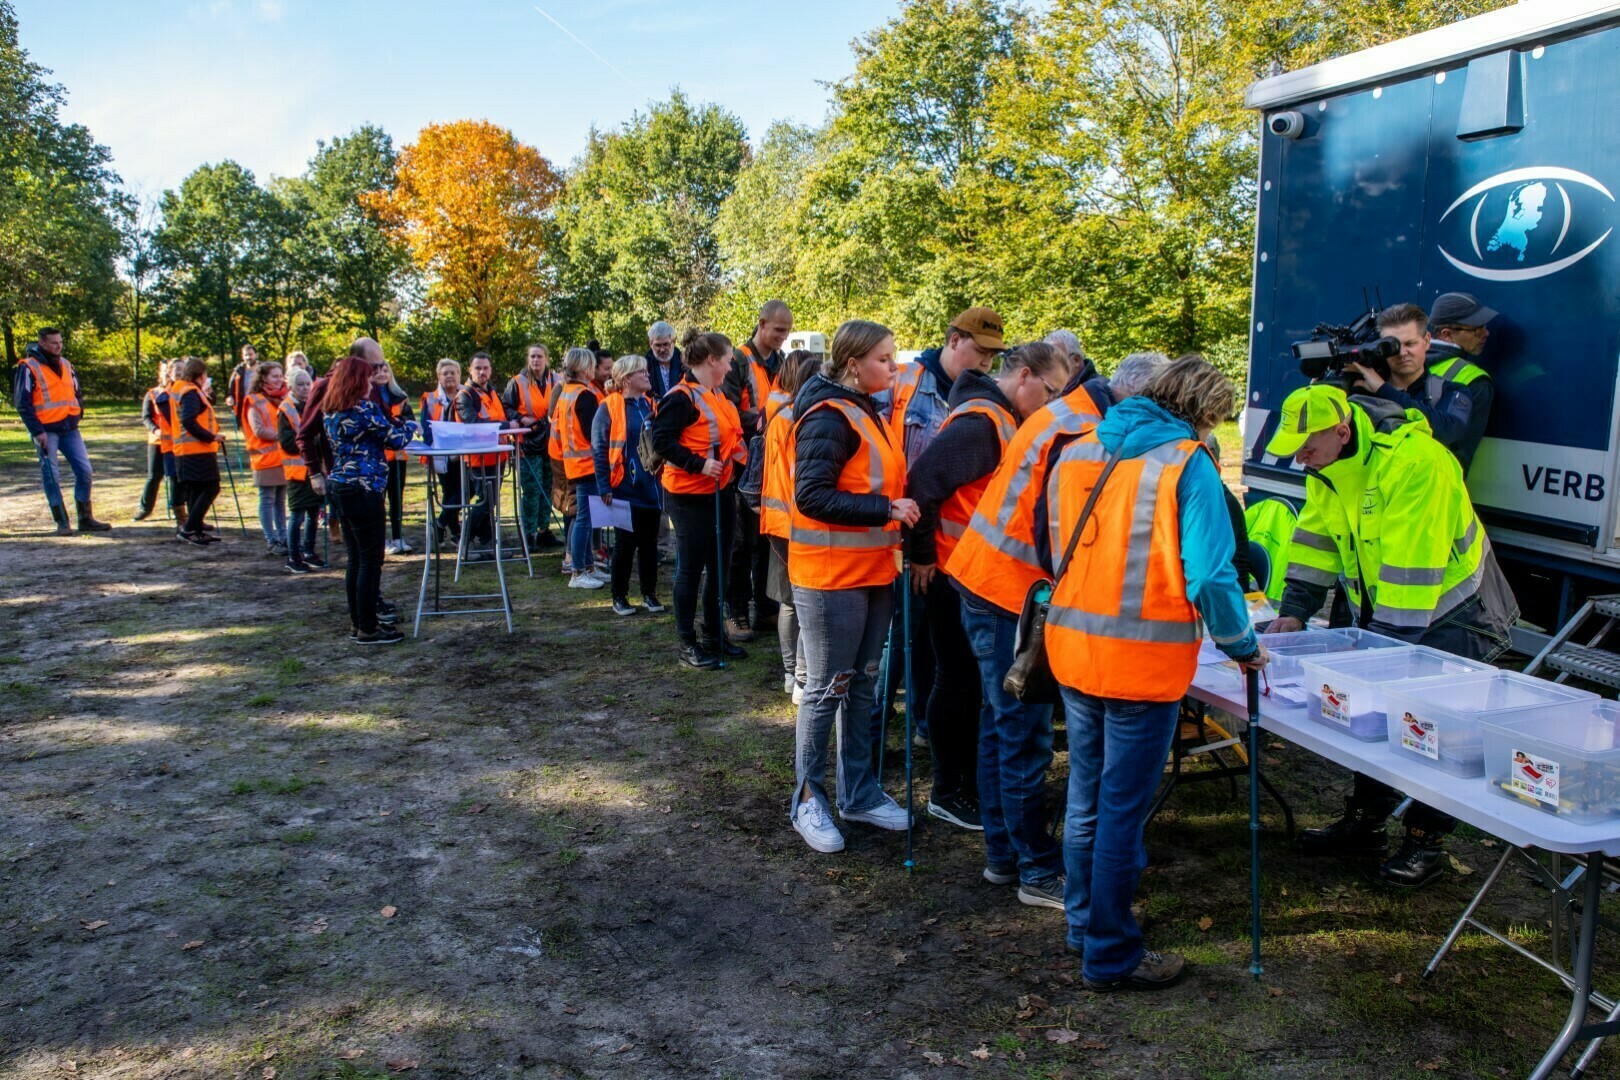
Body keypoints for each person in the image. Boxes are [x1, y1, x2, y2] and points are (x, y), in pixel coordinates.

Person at [1039, 356, 1269, 992]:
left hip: (1072, 648)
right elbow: (1213, 576)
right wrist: (1243, 644)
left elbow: (1052, 542)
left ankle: (1084, 925)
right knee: (1118, 810)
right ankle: (1109, 953)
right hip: (1140, 663)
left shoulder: (1081, 449)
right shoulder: (1186, 464)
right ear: (1200, 412)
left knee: (1086, 795)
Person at [1265, 382, 1519, 887]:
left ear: (1341, 431)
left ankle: (1426, 843)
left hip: (1456, 614)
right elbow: (1315, 542)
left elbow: (1411, 580)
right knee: (1373, 719)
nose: (1302, 461)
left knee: (1434, 730)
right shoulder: (1329, 467)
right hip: (1389, 611)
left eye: (1308, 449)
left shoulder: (1417, 463)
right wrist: (1295, 613)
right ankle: (1368, 821)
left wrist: (1369, 655)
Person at [907, 341, 1072, 900]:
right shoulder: (985, 422)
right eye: (1050, 392)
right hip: (976, 583)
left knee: (991, 711)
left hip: (977, 579)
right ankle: (965, 803)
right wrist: (922, 554)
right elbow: (924, 482)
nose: (1054, 404)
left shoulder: (1002, 419)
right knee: (981, 702)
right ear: (1023, 376)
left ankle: (996, 842)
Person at [785, 319, 919, 854]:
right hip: (829, 576)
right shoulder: (829, 415)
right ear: (853, 363)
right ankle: (807, 799)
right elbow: (811, 496)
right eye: (885, 359)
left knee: (862, 682)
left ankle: (858, 792)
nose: (894, 367)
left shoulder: (867, 408)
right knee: (826, 687)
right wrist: (884, 510)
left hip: (871, 572)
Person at [871, 306, 1007, 810]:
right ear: (954, 340)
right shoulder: (904, 382)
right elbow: (918, 477)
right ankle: (869, 748)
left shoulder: (975, 401)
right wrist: (920, 552)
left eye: (996, 355)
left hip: (952, 557)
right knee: (898, 651)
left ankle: (931, 734)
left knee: (940, 659)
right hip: (912, 545)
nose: (989, 362)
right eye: (981, 351)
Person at [651, 329, 748, 668]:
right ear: (711, 360)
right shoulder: (681, 397)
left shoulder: (716, 395)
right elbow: (661, 440)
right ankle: (687, 644)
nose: (730, 364)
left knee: (720, 567)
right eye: (727, 359)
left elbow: (730, 436)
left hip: (720, 492)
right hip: (688, 496)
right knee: (690, 570)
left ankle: (713, 635)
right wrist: (698, 464)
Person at [322, 354, 417, 645]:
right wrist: (411, 424)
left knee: (356, 559)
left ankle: (358, 622)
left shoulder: (331, 410)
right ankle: (368, 627)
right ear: (356, 381)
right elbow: (397, 439)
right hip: (363, 488)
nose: (371, 382)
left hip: (340, 485)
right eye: (367, 377)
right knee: (370, 560)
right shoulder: (363, 409)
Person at [721, 299, 794, 641]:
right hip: (741, 461)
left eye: (787, 331)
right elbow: (727, 408)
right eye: (779, 330)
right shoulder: (738, 359)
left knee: (765, 538)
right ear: (762, 324)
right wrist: (764, 420)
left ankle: (764, 608)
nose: (783, 336)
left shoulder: (779, 362)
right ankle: (735, 611)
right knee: (741, 540)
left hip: (769, 459)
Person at [1347, 303, 1481, 471]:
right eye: (1393, 346)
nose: (1402, 353)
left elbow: (1448, 431)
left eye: (1410, 344)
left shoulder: (1452, 391)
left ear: (1426, 341)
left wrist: (1383, 390)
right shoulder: (1361, 390)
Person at [760, 350, 822, 702]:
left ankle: (791, 675)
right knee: (798, 600)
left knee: (789, 601)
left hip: (779, 518)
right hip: (794, 521)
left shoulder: (781, 414)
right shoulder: (798, 418)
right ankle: (798, 676)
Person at [13, 326, 111, 535]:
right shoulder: (28, 367)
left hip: (69, 428)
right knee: (51, 475)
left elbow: (77, 391)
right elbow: (23, 403)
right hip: (45, 431)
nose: (59, 346)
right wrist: (37, 431)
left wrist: (78, 412)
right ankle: (62, 522)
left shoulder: (67, 364)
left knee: (85, 471)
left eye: (61, 342)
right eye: (54, 343)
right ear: (42, 343)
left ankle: (85, 518)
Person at [593, 355, 664, 615]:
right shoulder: (609, 407)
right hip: (623, 487)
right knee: (625, 544)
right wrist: (604, 486)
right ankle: (619, 596)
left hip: (650, 487)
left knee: (649, 544)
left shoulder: (649, 405)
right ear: (626, 379)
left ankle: (649, 593)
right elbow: (599, 449)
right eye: (641, 372)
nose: (647, 375)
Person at [549, 347, 608, 587]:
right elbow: (593, 432)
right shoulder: (584, 395)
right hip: (586, 464)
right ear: (585, 368)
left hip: (574, 464)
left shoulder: (567, 392)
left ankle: (587, 567)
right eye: (592, 366)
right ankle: (578, 571)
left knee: (586, 517)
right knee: (585, 518)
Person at [1426, 291, 1497, 472]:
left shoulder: (1401, 362)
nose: (1485, 333)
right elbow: (1461, 456)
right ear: (1446, 334)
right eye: (1476, 329)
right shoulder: (1475, 380)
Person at [503, 343, 563, 550]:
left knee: (548, 486)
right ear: (528, 359)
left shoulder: (557, 380)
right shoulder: (517, 382)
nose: (536, 360)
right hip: (528, 441)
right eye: (532, 357)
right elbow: (506, 407)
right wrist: (520, 418)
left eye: (539, 356)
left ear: (546, 358)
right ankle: (527, 534)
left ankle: (543, 530)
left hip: (552, 440)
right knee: (531, 489)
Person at [456, 352, 509, 562]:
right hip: (478, 458)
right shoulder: (465, 396)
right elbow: (472, 422)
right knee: (484, 501)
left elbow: (501, 415)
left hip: (498, 456)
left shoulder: (492, 392)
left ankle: (486, 541)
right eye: (478, 368)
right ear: (469, 370)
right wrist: (506, 426)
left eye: (486, 368)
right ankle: (465, 541)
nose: (482, 372)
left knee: (491, 501)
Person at [167, 357, 226, 545]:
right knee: (211, 487)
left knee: (196, 489)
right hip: (196, 449)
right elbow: (189, 420)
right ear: (200, 375)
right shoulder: (190, 392)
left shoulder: (181, 388)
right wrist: (211, 436)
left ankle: (196, 530)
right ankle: (189, 528)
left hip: (186, 449)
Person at [276, 368, 327, 573]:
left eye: (308, 384)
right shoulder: (286, 409)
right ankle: (293, 555)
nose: (305, 388)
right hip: (297, 472)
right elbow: (287, 441)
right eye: (300, 385)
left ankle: (309, 550)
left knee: (314, 513)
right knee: (297, 515)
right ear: (291, 387)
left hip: (315, 468)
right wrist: (310, 441)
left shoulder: (313, 406)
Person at [244, 362, 291, 555]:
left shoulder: (283, 398)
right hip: (264, 460)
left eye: (280, 376)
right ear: (263, 378)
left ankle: (283, 537)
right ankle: (271, 539)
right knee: (267, 500)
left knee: (281, 501)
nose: (279, 379)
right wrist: (285, 435)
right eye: (274, 376)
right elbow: (259, 430)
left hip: (282, 459)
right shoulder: (254, 400)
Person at [419, 359, 464, 545]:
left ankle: (441, 523)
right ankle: (455, 532)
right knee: (449, 491)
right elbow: (425, 427)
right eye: (445, 373)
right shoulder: (430, 398)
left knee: (464, 490)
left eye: (452, 372)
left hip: (464, 452)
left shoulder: (466, 394)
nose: (449, 376)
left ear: (459, 374)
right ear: (439, 376)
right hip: (441, 454)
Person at [376, 362, 415, 555]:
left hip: (398, 456)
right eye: (378, 370)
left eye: (385, 370)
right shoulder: (368, 397)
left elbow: (410, 421)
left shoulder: (400, 397)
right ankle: (381, 540)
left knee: (396, 497)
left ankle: (398, 537)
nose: (382, 374)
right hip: (378, 457)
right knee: (378, 500)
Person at [135, 362, 176, 521]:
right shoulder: (152, 393)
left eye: (169, 371)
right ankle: (145, 508)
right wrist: (155, 430)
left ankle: (176, 507)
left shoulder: (178, 392)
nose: (167, 374)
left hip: (174, 441)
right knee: (154, 475)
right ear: (160, 373)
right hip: (157, 441)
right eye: (165, 371)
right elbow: (146, 417)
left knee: (174, 476)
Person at [645, 321, 685, 399]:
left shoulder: (685, 364)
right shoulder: (644, 367)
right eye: (658, 345)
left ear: (674, 342)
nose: (662, 349)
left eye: (666, 344)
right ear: (651, 344)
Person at [226, 344, 258, 431]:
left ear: (256, 355)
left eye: (250, 354)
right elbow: (230, 390)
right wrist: (230, 397)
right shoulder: (238, 371)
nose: (248, 357)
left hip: (259, 406)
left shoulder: (263, 370)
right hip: (243, 407)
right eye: (246, 355)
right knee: (246, 433)